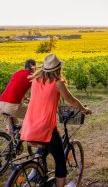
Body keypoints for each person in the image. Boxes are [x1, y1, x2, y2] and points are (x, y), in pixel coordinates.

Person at [20, 54, 91, 187]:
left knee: (43, 149)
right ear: (58, 68)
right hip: (45, 127)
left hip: (30, 125)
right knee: (60, 161)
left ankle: (36, 171)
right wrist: (84, 110)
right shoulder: (58, 83)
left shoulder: (35, 79)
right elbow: (71, 100)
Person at [0, 59, 36, 133]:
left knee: (12, 128)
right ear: (34, 68)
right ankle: (22, 134)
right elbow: (35, 92)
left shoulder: (17, 73)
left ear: (25, 66)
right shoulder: (31, 76)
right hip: (11, 106)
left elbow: (15, 88)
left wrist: (25, 98)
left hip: (1, 105)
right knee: (33, 113)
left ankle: (12, 140)